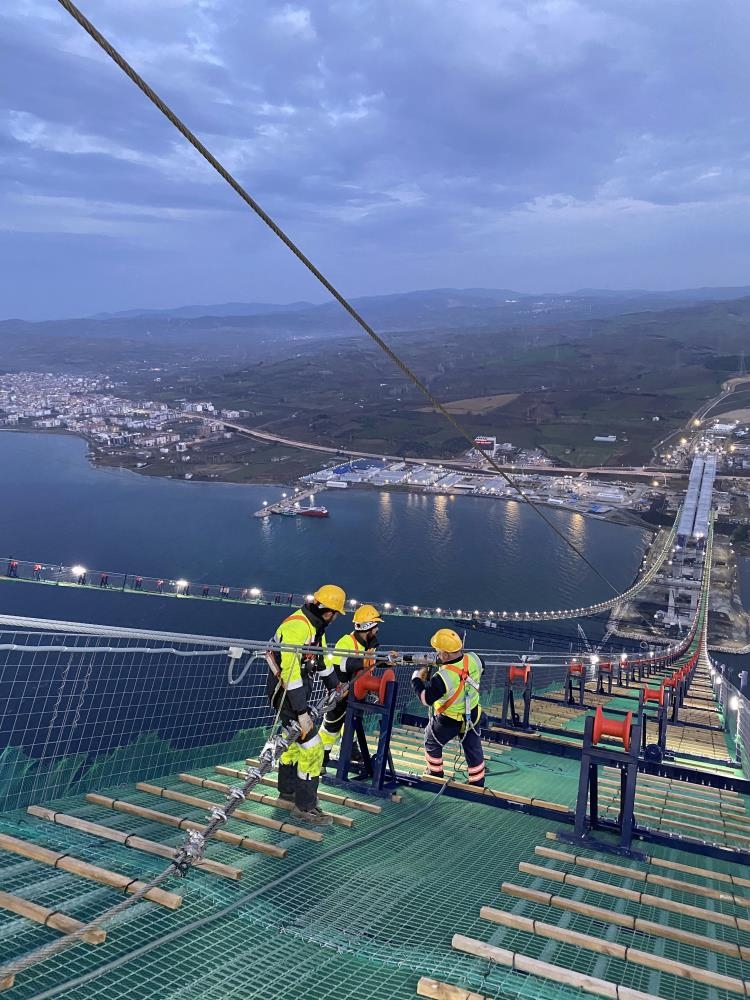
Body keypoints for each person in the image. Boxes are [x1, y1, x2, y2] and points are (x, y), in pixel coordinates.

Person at [267, 584, 346, 826]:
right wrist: (301, 713)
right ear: (329, 612)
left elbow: (321, 662)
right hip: (286, 695)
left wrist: (335, 686)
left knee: (291, 743)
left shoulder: (315, 627)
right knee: (313, 748)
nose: (335, 618)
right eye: (335, 614)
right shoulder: (297, 626)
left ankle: (288, 791)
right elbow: (290, 674)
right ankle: (305, 807)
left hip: (294, 695)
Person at [411, 628, 486, 787]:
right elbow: (480, 670)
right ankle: (477, 783)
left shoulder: (443, 677)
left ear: (445, 655)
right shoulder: (475, 658)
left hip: (449, 720)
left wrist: (416, 679)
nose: (437, 654)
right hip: (473, 715)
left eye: (438, 652)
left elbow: (426, 699)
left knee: (432, 741)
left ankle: (435, 774)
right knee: (473, 749)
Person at [320, 604, 386, 764]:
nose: (377, 630)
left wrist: (386, 660)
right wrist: (366, 661)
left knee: (354, 723)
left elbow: (370, 663)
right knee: (331, 727)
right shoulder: (346, 642)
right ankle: (321, 757)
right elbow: (339, 664)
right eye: (375, 626)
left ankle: (351, 750)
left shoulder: (369, 645)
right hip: (340, 694)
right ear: (368, 627)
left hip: (357, 694)